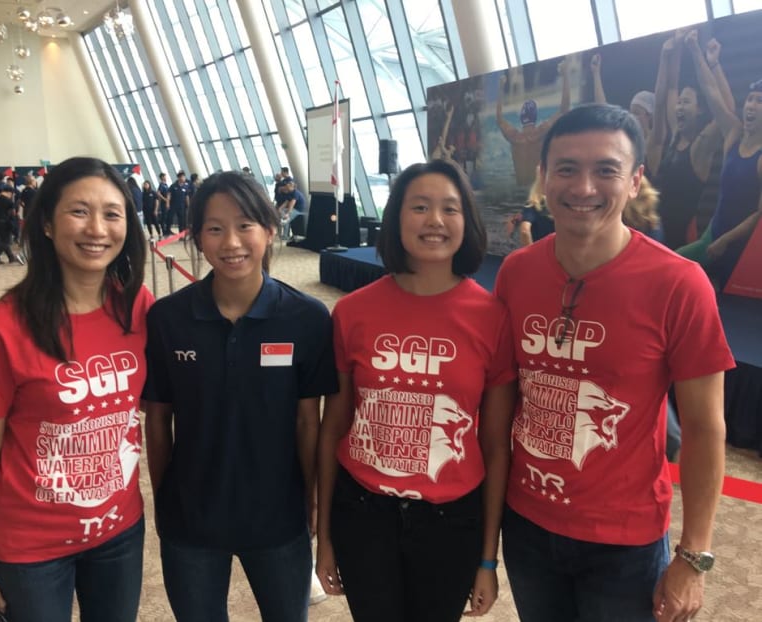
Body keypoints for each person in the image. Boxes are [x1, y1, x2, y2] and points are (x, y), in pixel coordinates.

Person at [493, 104, 734, 622]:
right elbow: (505, 398)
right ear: (543, 177)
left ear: (634, 181)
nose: (583, 187)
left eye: (606, 170)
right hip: (528, 526)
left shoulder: (679, 284)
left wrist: (693, 556)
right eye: (566, 168)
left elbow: (703, 428)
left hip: (623, 542)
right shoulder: (515, 274)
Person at [0, 156, 151, 622]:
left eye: (112, 213)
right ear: (45, 223)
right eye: (79, 211)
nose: (97, 228)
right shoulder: (3, 325)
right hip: (29, 548)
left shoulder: (138, 308)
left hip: (119, 532)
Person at [316, 159, 517, 621]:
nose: (435, 221)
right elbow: (334, 429)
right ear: (396, 218)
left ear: (466, 220)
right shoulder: (352, 312)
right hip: (363, 513)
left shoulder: (492, 317)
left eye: (450, 208)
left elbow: (495, 446)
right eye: (420, 207)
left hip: (452, 521)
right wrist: (324, 537)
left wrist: (488, 559)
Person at [143, 171, 337, 622]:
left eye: (245, 224)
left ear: (269, 230)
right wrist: (165, 497)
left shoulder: (306, 317)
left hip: (278, 517)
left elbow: (309, 421)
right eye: (215, 228)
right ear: (197, 237)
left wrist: (307, 500)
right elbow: (157, 418)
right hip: (190, 519)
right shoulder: (168, 319)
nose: (231, 241)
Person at [676, 32, 762, 287]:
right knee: (676, 267)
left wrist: (725, 241)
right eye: (750, 100)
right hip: (712, 237)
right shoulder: (733, 134)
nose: (751, 106)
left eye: (760, 102)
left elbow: (758, 214)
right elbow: (712, 92)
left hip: (738, 246)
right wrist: (698, 53)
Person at [646, 31, 733, 249]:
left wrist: (703, 57)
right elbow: (668, 91)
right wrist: (667, 55)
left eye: (686, 102)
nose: (678, 107)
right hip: (659, 234)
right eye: (679, 103)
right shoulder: (675, 135)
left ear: (701, 110)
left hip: (684, 240)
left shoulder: (701, 147)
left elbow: (726, 109)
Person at [497, 60, 571, 187]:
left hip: (519, 189)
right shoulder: (541, 132)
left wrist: (501, 87)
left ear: (521, 118)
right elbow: (564, 110)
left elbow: (499, 118)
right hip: (536, 192)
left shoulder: (514, 137)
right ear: (535, 117)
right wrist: (565, 75)